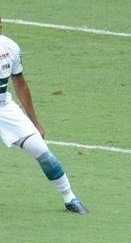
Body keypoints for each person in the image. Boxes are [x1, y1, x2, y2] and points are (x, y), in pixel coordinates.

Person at [0, 17, 88, 214]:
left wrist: (35, 123)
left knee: (41, 150)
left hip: (4, 108)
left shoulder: (10, 48)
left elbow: (20, 83)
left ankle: (70, 198)